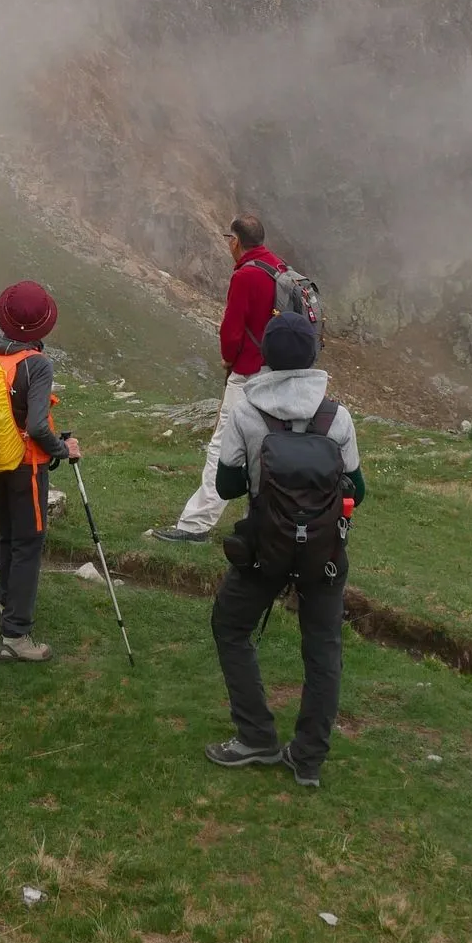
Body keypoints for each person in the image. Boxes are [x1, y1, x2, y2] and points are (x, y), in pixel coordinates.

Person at [205, 311, 365, 787]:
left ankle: (255, 735)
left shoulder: (247, 412)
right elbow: (357, 488)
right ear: (312, 355)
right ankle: (308, 758)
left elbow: (228, 485)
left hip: (264, 548)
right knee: (323, 648)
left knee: (231, 625)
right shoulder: (336, 417)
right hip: (324, 552)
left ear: (267, 356)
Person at [152, 213, 286, 543]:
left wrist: (229, 358)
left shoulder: (245, 275)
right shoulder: (279, 268)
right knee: (269, 447)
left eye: (229, 239)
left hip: (248, 373)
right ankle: (264, 519)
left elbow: (232, 328)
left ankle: (195, 524)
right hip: (278, 373)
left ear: (235, 241)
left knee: (224, 446)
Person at [0, 282, 79, 664]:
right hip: (25, 466)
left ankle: (5, 601)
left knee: (8, 534)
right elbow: (36, 425)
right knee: (29, 543)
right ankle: (16, 635)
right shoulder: (36, 364)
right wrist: (62, 449)